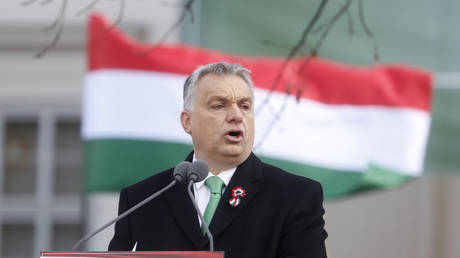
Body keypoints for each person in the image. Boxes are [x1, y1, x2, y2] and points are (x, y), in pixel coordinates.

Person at [108, 62, 328, 258]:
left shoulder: (294, 196)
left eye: (244, 106)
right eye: (219, 105)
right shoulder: (141, 200)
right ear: (187, 121)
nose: (236, 116)